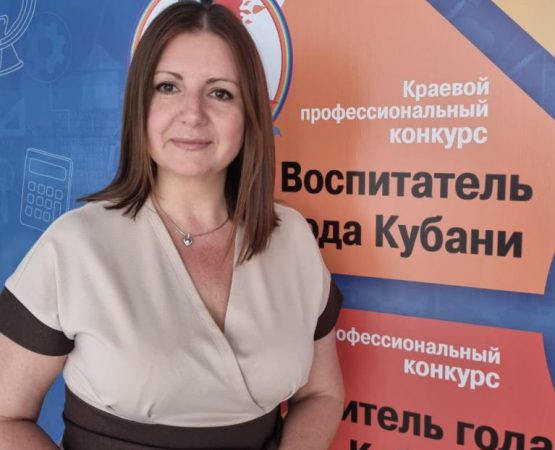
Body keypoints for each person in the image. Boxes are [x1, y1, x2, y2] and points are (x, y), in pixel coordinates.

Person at [0, 1, 344, 449]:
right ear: (139, 107)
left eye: (220, 93)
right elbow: (5, 417)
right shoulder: (74, 246)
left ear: (250, 114)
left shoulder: (292, 238)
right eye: (168, 87)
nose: (192, 113)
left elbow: (322, 393)